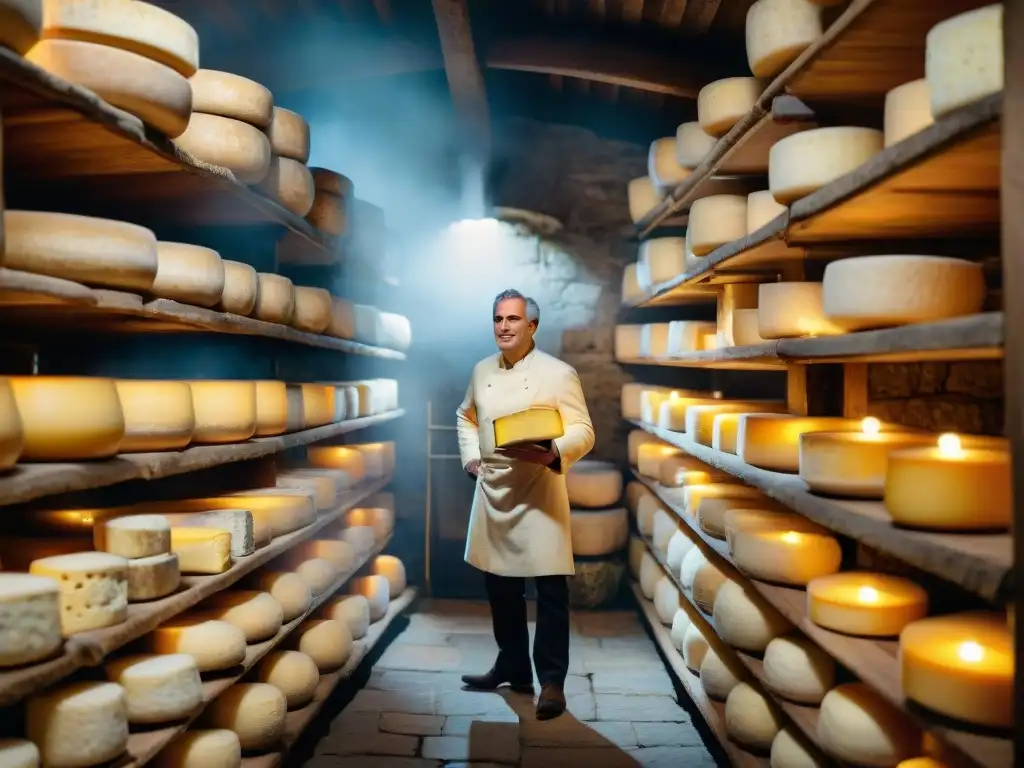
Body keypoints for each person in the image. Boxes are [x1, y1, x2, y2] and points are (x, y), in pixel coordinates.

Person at [455, 288, 595, 720]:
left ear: (532, 326)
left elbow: (584, 430)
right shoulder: (481, 370)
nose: (503, 326)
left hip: (539, 489)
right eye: (498, 319)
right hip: (494, 489)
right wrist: (471, 457)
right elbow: (466, 415)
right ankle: (513, 665)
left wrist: (554, 450)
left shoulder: (559, 373)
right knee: (500, 586)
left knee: (551, 590)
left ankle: (552, 681)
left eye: (513, 319)